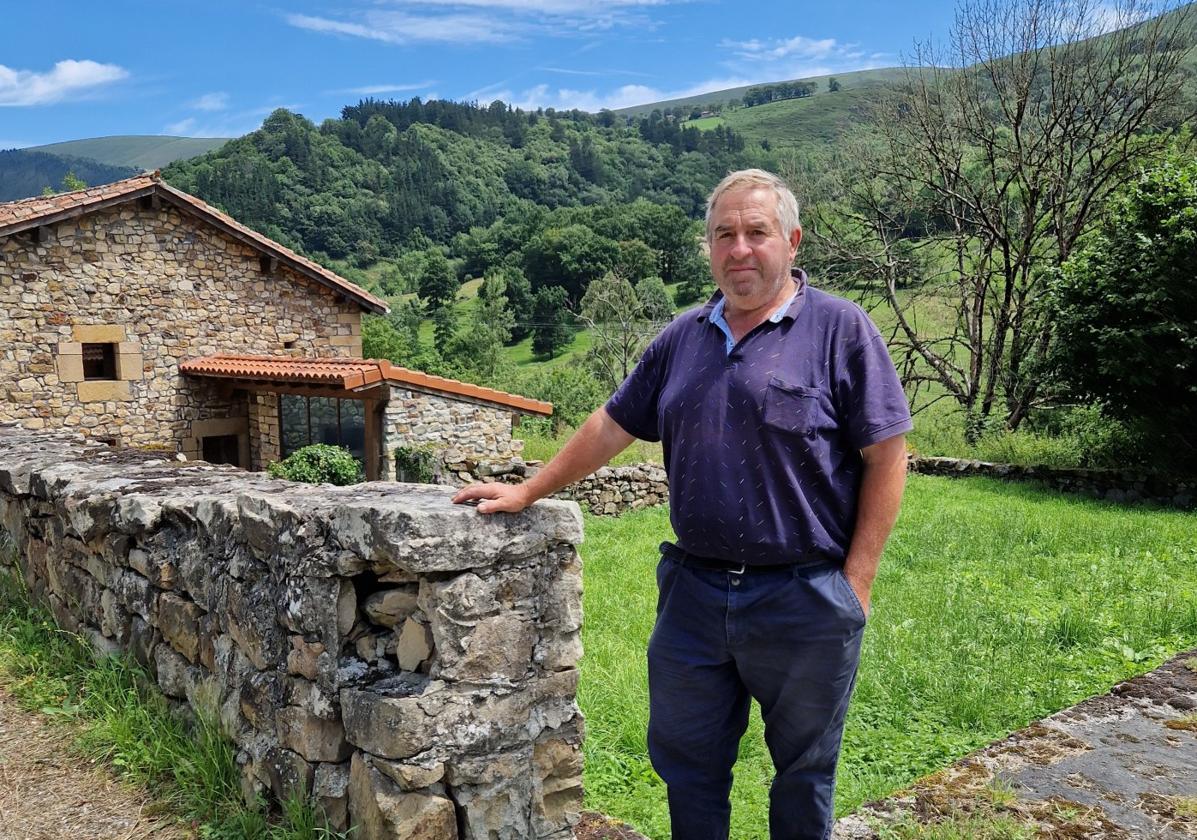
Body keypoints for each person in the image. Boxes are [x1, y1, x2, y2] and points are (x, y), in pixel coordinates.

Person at [453, 168, 911, 840]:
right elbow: (611, 424)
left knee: (804, 770)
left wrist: (856, 584)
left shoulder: (840, 329)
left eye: (756, 232)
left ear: (791, 240)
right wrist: (528, 489)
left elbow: (885, 456)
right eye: (722, 234)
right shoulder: (681, 337)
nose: (738, 249)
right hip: (693, 596)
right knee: (688, 766)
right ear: (707, 247)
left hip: (803, 594)